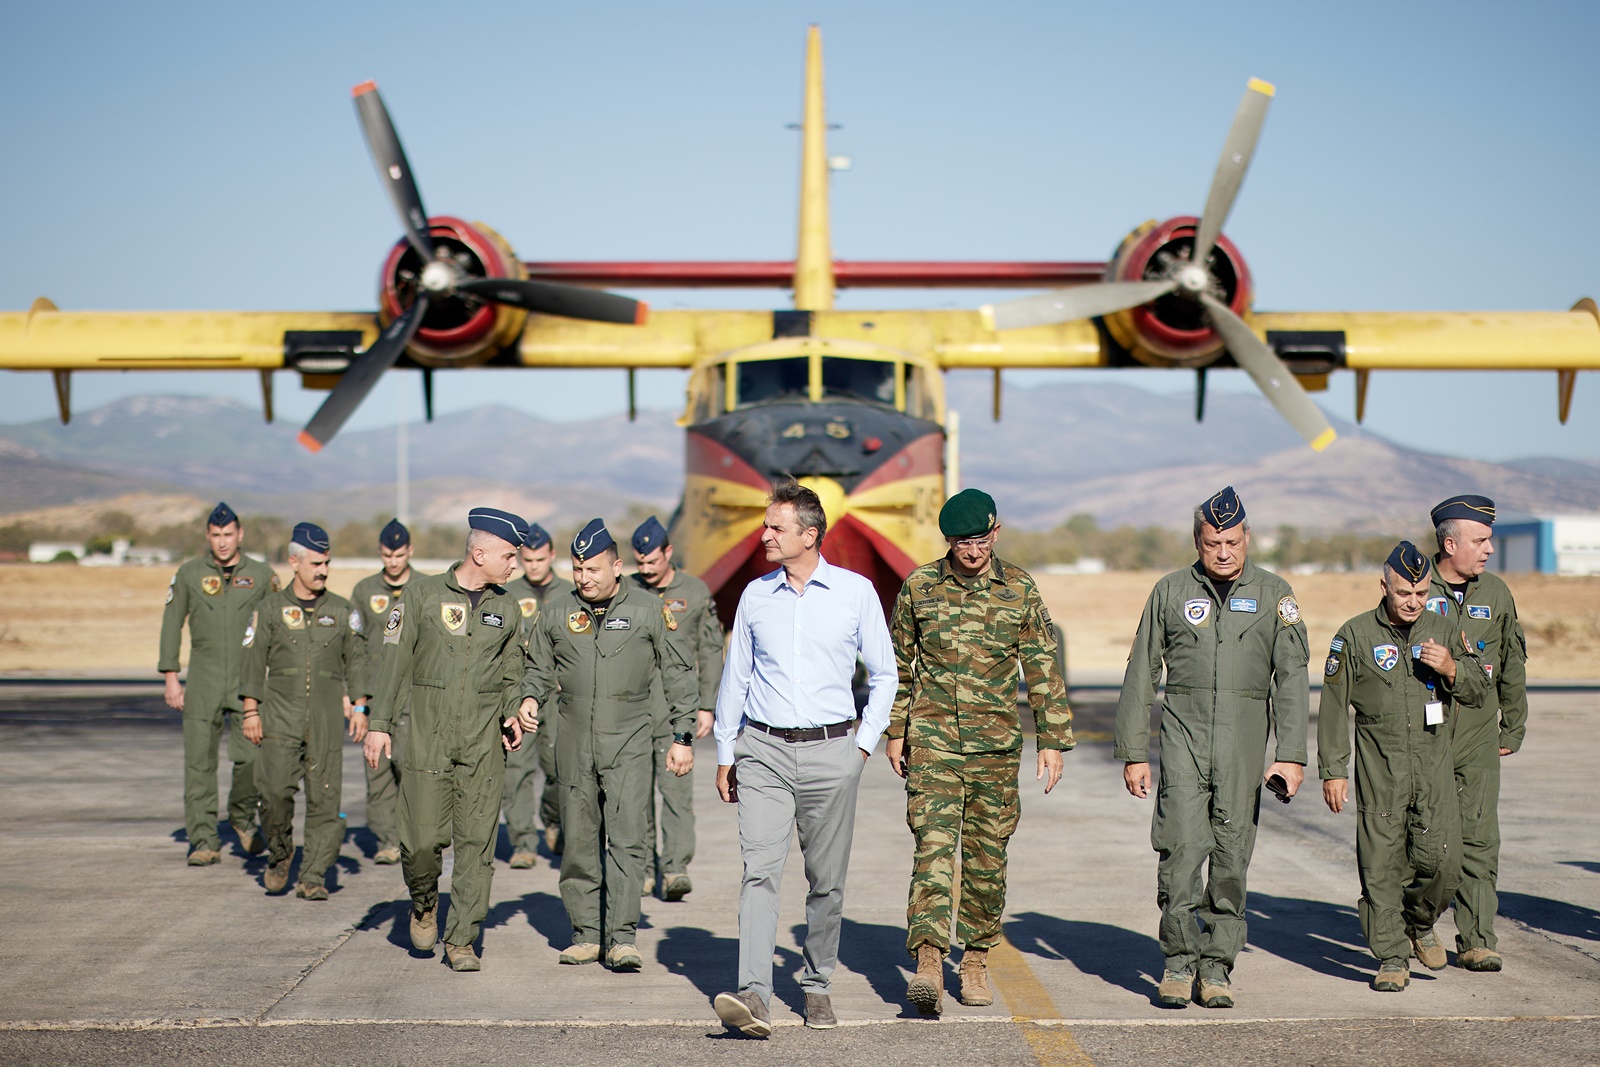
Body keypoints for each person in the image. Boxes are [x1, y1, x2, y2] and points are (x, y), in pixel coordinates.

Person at [711, 479, 896, 1037]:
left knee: (826, 881)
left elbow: (884, 675)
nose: (764, 534)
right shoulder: (754, 596)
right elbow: (736, 676)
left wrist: (863, 744)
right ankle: (755, 994)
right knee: (759, 873)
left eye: (774, 527)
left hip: (832, 753)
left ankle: (817, 986)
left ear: (808, 535)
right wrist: (726, 750)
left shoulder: (856, 592)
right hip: (762, 751)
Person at [1113, 485, 1310, 1010]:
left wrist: (1291, 754)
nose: (1223, 552)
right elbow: (1141, 673)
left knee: (1231, 856)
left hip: (1244, 741)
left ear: (1248, 538)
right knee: (1180, 850)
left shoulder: (1274, 595)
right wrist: (1134, 751)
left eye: (1232, 541)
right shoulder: (1170, 591)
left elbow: (1291, 678)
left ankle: (1218, 966)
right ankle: (1178, 963)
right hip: (1183, 734)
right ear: (1196, 542)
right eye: (1211, 543)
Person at [884, 488, 1073, 1016]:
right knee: (933, 852)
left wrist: (1053, 741)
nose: (971, 551)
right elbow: (899, 665)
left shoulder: (1019, 589)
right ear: (948, 541)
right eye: (961, 542)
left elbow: (1041, 666)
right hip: (934, 745)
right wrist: (895, 731)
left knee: (987, 860)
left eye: (980, 539)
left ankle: (975, 960)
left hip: (995, 750)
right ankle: (927, 961)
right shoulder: (920, 587)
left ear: (996, 532)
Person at [519, 519, 698, 971]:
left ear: (617, 567)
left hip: (631, 739)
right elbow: (537, 668)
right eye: (578, 569)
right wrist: (527, 698)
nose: (584, 578)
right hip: (573, 740)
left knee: (626, 839)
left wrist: (682, 736)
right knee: (578, 839)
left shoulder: (646, 609)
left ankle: (621, 937)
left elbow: (678, 672)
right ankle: (585, 933)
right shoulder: (557, 611)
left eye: (594, 569)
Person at [364, 508, 529, 972]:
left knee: (477, 846)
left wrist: (516, 709)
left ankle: (462, 940)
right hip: (426, 740)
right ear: (479, 553)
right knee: (418, 842)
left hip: (481, 745)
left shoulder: (508, 607)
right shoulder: (419, 596)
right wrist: (379, 723)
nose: (513, 564)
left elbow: (514, 672)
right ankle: (422, 903)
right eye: (507, 555)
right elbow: (393, 662)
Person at [1319, 541, 1487, 991]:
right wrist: (1333, 769)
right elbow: (1334, 707)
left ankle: (1418, 923)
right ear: (1384, 586)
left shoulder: (1443, 627)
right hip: (1381, 769)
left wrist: (1452, 668)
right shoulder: (1353, 636)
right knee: (1380, 868)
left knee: (1445, 864)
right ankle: (1392, 957)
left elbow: (1477, 692)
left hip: (1433, 767)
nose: (1412, 602)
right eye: (1402, 593)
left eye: (1420, 593)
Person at [1425, 494, 1529, 972]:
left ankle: (1477, 938)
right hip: (1426, 734)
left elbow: (1512, 663)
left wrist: (1514, 723)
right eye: (1481, 540)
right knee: (1422, 838)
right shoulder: (1414, 586)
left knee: (1480, 838)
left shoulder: (1496, 593)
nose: (1489, 549)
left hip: (1480, 733)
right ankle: (1416, 925)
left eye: (1489, 539)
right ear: (1450, 543)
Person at [239, 523, 370, 900]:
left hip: (327, 719)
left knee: (325, 799)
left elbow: (357, 662)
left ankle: (314, 874)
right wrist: (251, 711)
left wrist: (360, 705)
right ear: (294, 562)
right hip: (279, 716)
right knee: (274, 792)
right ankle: (280, 855)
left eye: (327, 563)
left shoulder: (343, 611)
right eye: (316, 563)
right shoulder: (268, 610)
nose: (323, 570)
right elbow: (252, 662)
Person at [158, 502, 280, 866]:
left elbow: (277, 628)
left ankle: (242, 816)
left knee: (249, 760)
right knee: (198, 764)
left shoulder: (261, 575)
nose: (222, 542)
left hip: (247, 683)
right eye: (216, 535)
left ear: (240, 535)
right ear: (207, 536)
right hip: (203, 680)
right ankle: (203, 840)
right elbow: (171, 623)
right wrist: (171, 679)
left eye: (228, 535)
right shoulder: (189, 574)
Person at [629, 514, 724, 901]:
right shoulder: (626, 591)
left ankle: (675, 868)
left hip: (676, 710)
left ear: (668, 552)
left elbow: (711, 650)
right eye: (640, 563)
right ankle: (643, 869)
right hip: (633, 708)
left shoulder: (696, 592)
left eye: (653, 561)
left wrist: (707, 705)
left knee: (675, 793)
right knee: (635, 796)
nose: (647, 570)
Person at [350, 518, 425, 866]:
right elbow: (354, 647)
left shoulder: (426, 588)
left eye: (398, 554)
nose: (393, 562)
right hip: (377, 694)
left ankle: (414, 836)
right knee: (376, 768)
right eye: (386, 555)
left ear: (409, 551)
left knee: (411, 769)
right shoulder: (364, 591)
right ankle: (385, 840)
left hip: (414, 695)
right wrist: (355, 700)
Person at [501, 523, 573, 868]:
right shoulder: (507, 593)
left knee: (558, 768)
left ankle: (553, 819)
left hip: (558, 696)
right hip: (517, 695)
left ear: (552, 556)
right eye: (527, 559)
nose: (533, 565)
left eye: (539, 559)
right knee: (516, 769)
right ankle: (523, 843)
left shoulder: (570, 593)